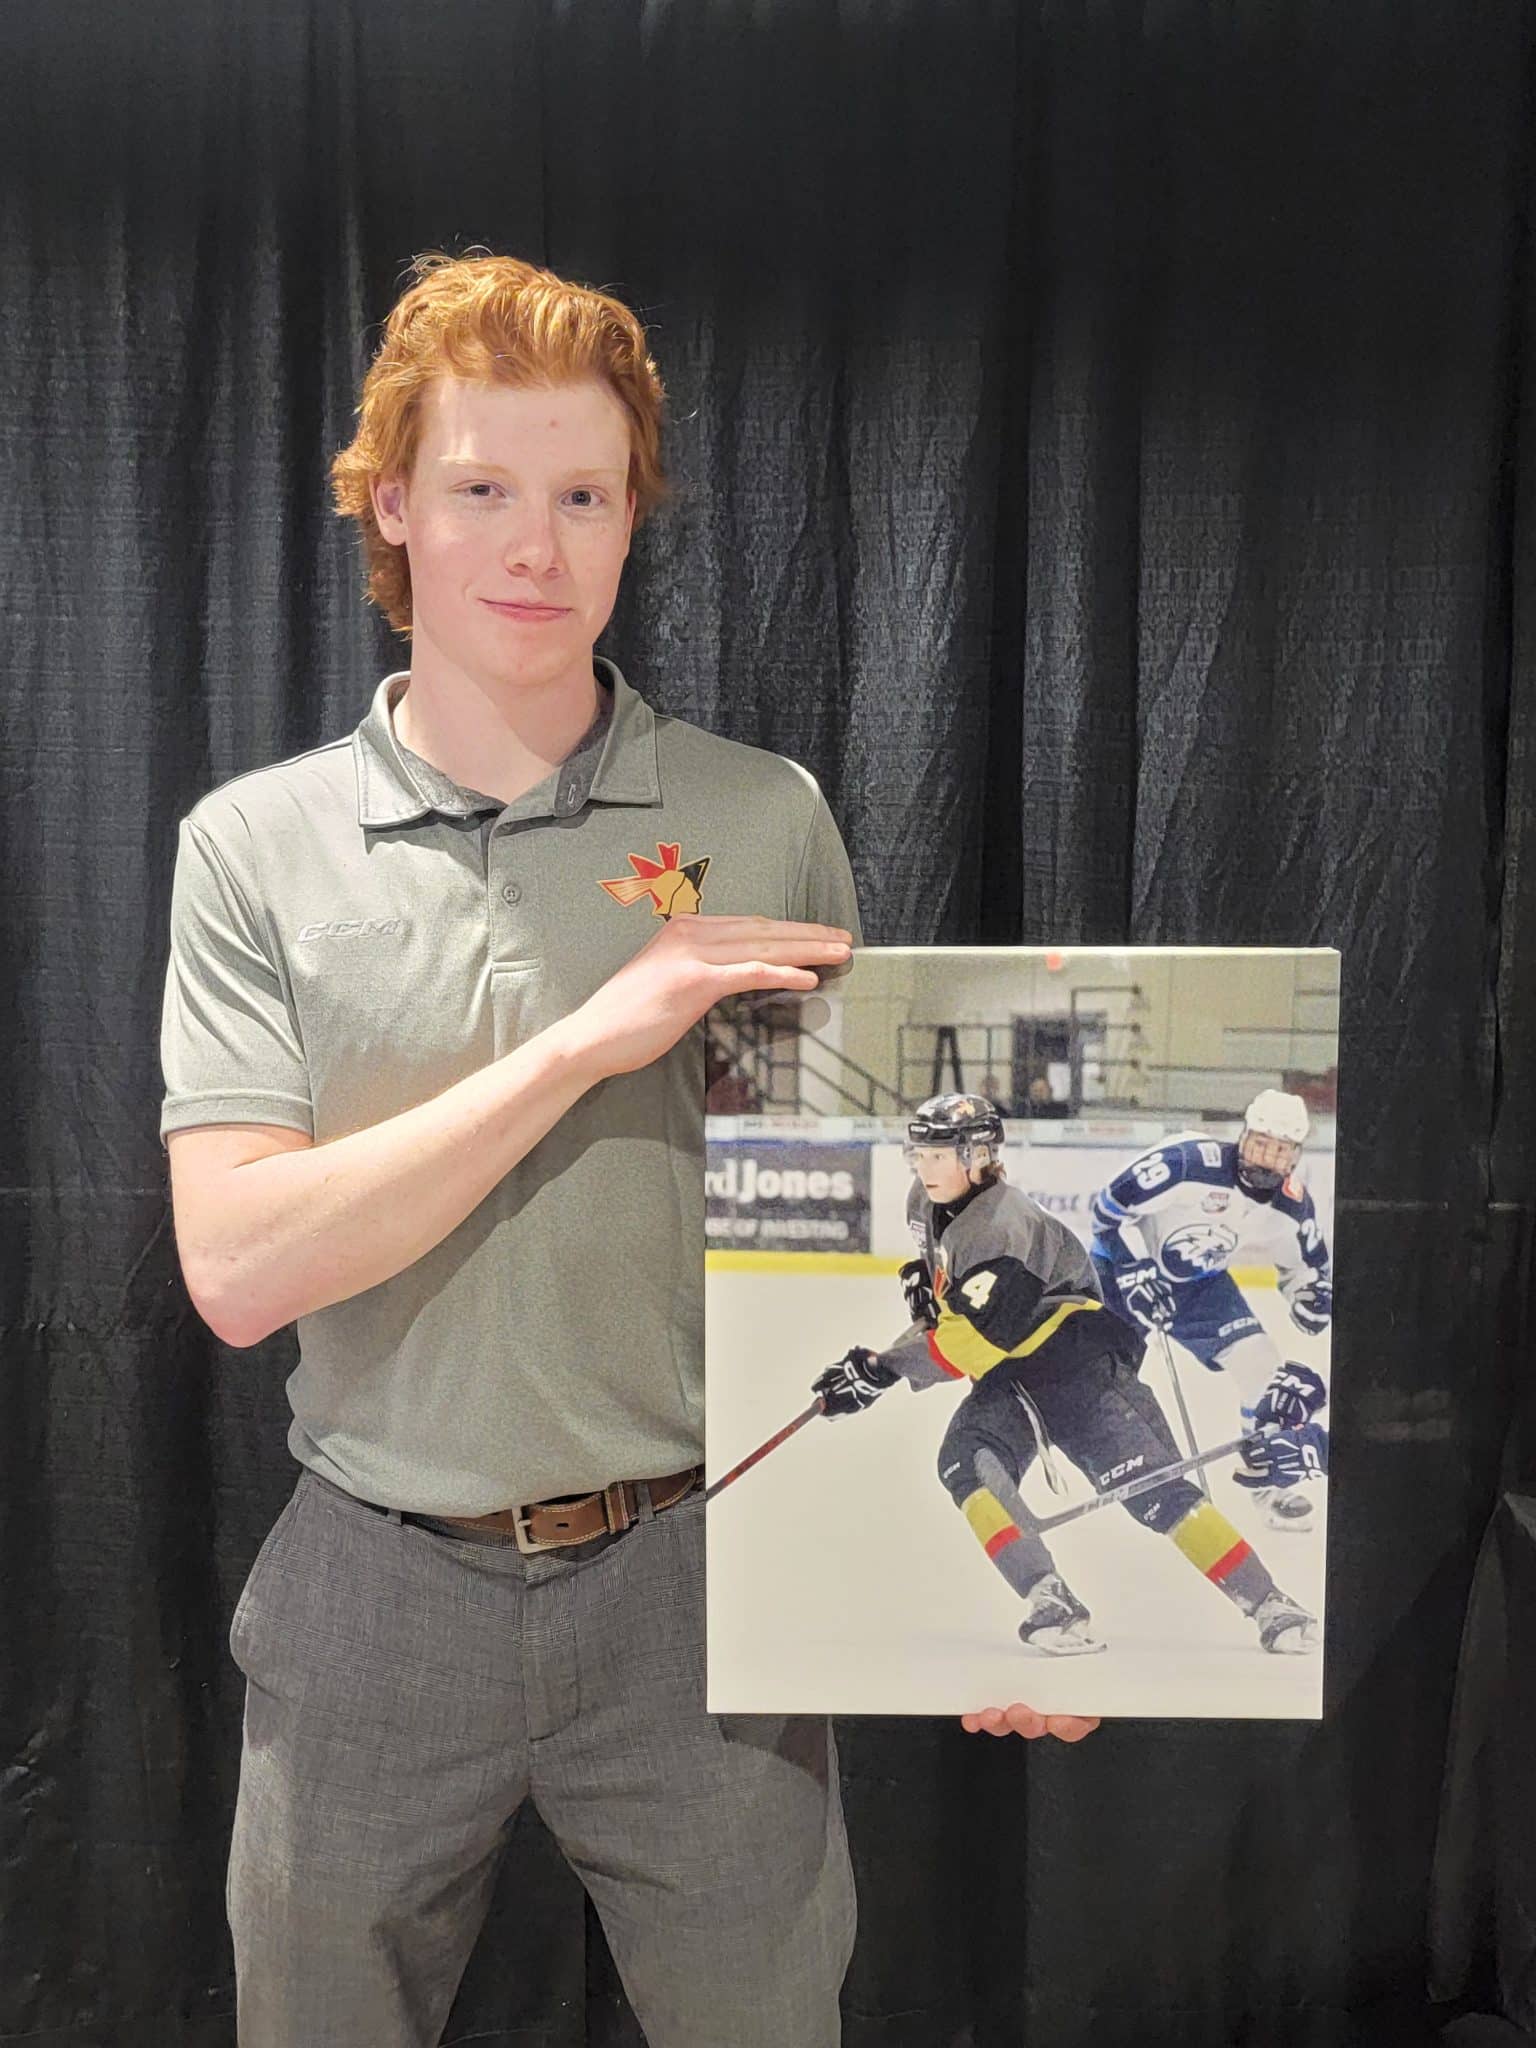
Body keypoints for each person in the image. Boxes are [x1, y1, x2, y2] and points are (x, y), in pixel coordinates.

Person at [157, 251, 1089, 2048]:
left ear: (633, 516)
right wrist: (593, 1038)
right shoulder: (256, 846)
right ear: (392, 506)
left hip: (700, 1575)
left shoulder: (763, 814)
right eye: (482, 489)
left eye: (584, 495)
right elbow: (240, 1268)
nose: (536, 544)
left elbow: (874, 1227)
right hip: (374, 1574)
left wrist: (1002, 1605)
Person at [810, 1094, 1320, 1658]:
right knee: (964, 1460)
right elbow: (954, 1313)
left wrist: (881, 1369)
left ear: (978, 1156)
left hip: (1079, 1370)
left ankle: (1271, 1604)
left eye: (939, 1155)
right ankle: (1049, 1598)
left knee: (1158, 1494)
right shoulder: (925, 1201)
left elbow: (969, 1343)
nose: (924, 1167)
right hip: (1012, 1374)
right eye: (920, 1154)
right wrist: (915, 1318)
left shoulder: (1004, 1226)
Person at [1088, 1089, 1333, 1533]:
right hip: (1122, 1273)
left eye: (1280, 1150)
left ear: (1296, 1155)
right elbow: (1106, 1210)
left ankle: (1268, 1487)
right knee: (1095, 1378)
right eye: (1260, 1143)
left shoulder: (1292, 1205)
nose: (1266, 1158)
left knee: (1262, 1366)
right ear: (1243, 1135)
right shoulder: (1187, 1163)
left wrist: (1308, 1297)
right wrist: (1132, 1267)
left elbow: (1307, 1270)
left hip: (1200, 1286)